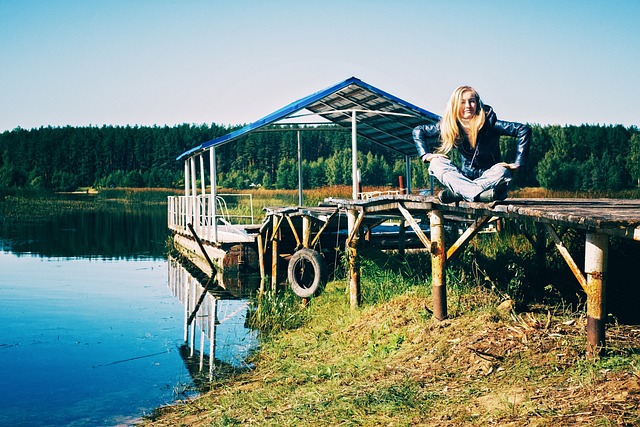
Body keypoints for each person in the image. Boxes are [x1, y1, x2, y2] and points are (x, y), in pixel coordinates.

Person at [413, 85, 531, 203]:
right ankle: (477, 195)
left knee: (503, 171)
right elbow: (418, 131)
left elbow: (523, 130)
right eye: (462, 102)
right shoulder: (449, 126)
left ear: (478, 104)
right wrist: (426, 155)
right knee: (436, 163)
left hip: (490, 178)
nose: (468, 106)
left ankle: (461, 193)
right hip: (464, 178)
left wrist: (518, 163)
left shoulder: (490, 123)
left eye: (472, 101)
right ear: (455, 105)